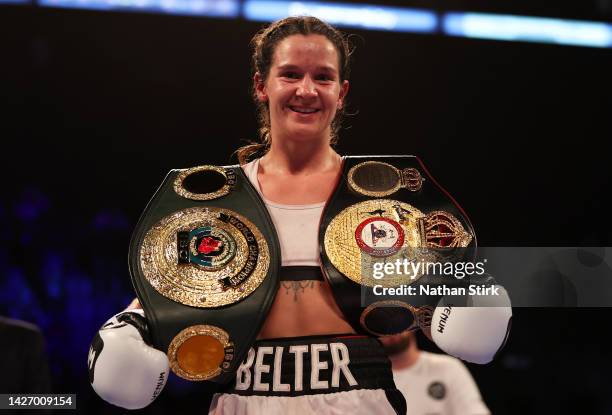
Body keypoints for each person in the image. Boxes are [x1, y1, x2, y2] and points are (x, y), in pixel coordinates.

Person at [88, 16, 511, 414]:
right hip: (244, 397)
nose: (307, 90)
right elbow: (166, 294)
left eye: (322, 77)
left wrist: (473, 300)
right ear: (261, 85)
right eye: (291, 74)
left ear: (341, 92)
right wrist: (133, 327)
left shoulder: (390, 199)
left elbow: (456, 299)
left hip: (359, 397)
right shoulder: (211, 203)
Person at [381, 331, 490, 415]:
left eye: (396, 315)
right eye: (379, 320)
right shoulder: (366, 383)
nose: (390, 325)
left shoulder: (447, 367)